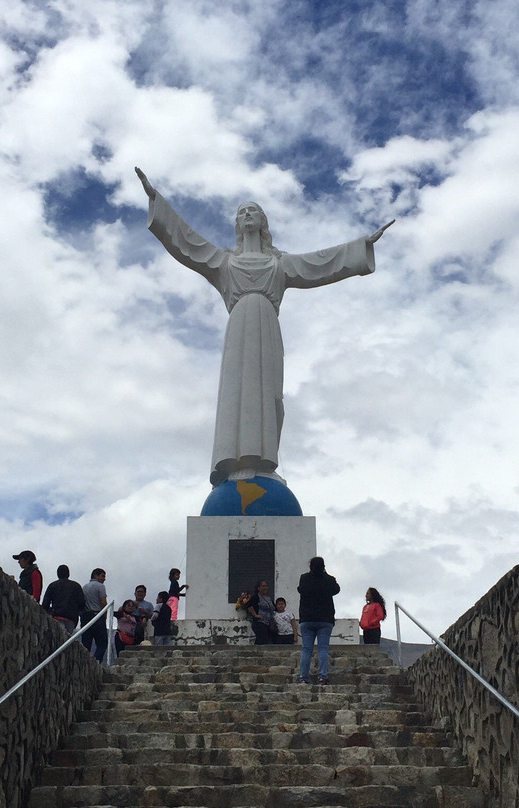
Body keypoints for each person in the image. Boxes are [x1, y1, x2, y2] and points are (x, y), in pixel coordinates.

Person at [136, 167, 393, 485]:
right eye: (242, 212)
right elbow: (187, 243)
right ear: (237, 224)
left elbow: (320, 263)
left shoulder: (279, 262)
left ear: (262, 221)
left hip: (267, 326)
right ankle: (235, 463)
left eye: (252, 211)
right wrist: (157, 202)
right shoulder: (224, 261)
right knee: (237, 391)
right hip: (240, 326)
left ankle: (263, 462)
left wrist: (361, 245)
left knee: (269, 394)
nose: (247, 215)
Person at [297, 556, 340, 684]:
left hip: (307, 618)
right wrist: (325, 573)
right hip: (325, 619)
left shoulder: (304, 578)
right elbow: (336, 589)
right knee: (323, 648)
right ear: (324, 566)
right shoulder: (329, 580)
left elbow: (300, 589)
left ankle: (303, 677)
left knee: (306, 649)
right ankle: (322, 676)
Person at [41, 565, 86, 634]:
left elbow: (45, 603)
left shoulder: (52, 585)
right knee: (67, 640)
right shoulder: (76, 586)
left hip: (56, 616)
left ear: (58, 574)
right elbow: (82, 603)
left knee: (58, 640)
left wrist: (50, 612)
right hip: (71, 618)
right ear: (68, 574)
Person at [81, 568, 109, 662]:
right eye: (102, 576)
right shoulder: (100, 586)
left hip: (86, 616)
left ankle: (85, 663)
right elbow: (103, 602)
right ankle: (96, 662)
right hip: (97, 615)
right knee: (102, 643)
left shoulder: (84, 587)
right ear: (96, 575)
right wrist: (104, 615)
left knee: (86, 644)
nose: (104, 579)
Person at [246, 579, 275, 645]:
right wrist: (256, 615)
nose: (265, 588)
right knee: (261, 639)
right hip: (260, 623)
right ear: (258, 588)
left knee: (268, 640)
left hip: (269, 623)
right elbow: (248, 605)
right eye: (263, 586)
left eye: (266, 586)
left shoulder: (269, 598)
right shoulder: (256, 597)